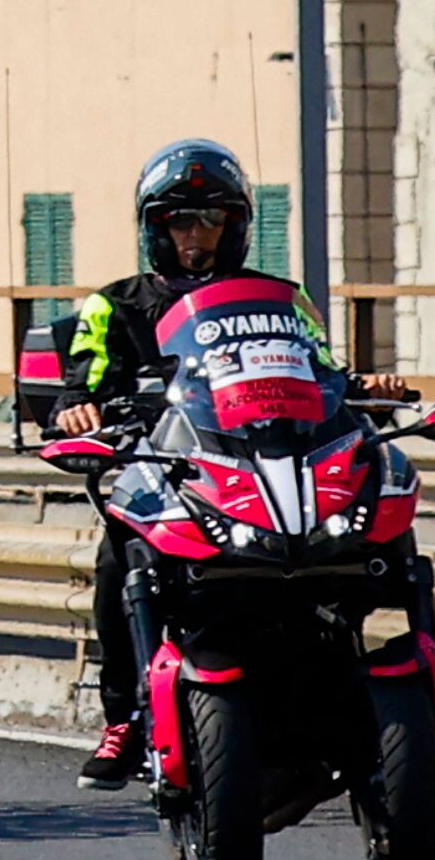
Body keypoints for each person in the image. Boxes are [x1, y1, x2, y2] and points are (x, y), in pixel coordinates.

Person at [22, 140, 359, 783]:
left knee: (369, 540)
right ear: (155, 227)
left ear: (235, 226)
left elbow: (322, 370)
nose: (195, 234)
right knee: (119, 554)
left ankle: (363, 695)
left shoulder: (282, 298)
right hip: (169, 467)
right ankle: (123, 718)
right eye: (180, 220)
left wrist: (369, 387)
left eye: (211, 219)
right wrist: (75, 411)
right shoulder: (113, 305)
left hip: (270, 465)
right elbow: (80, 380)